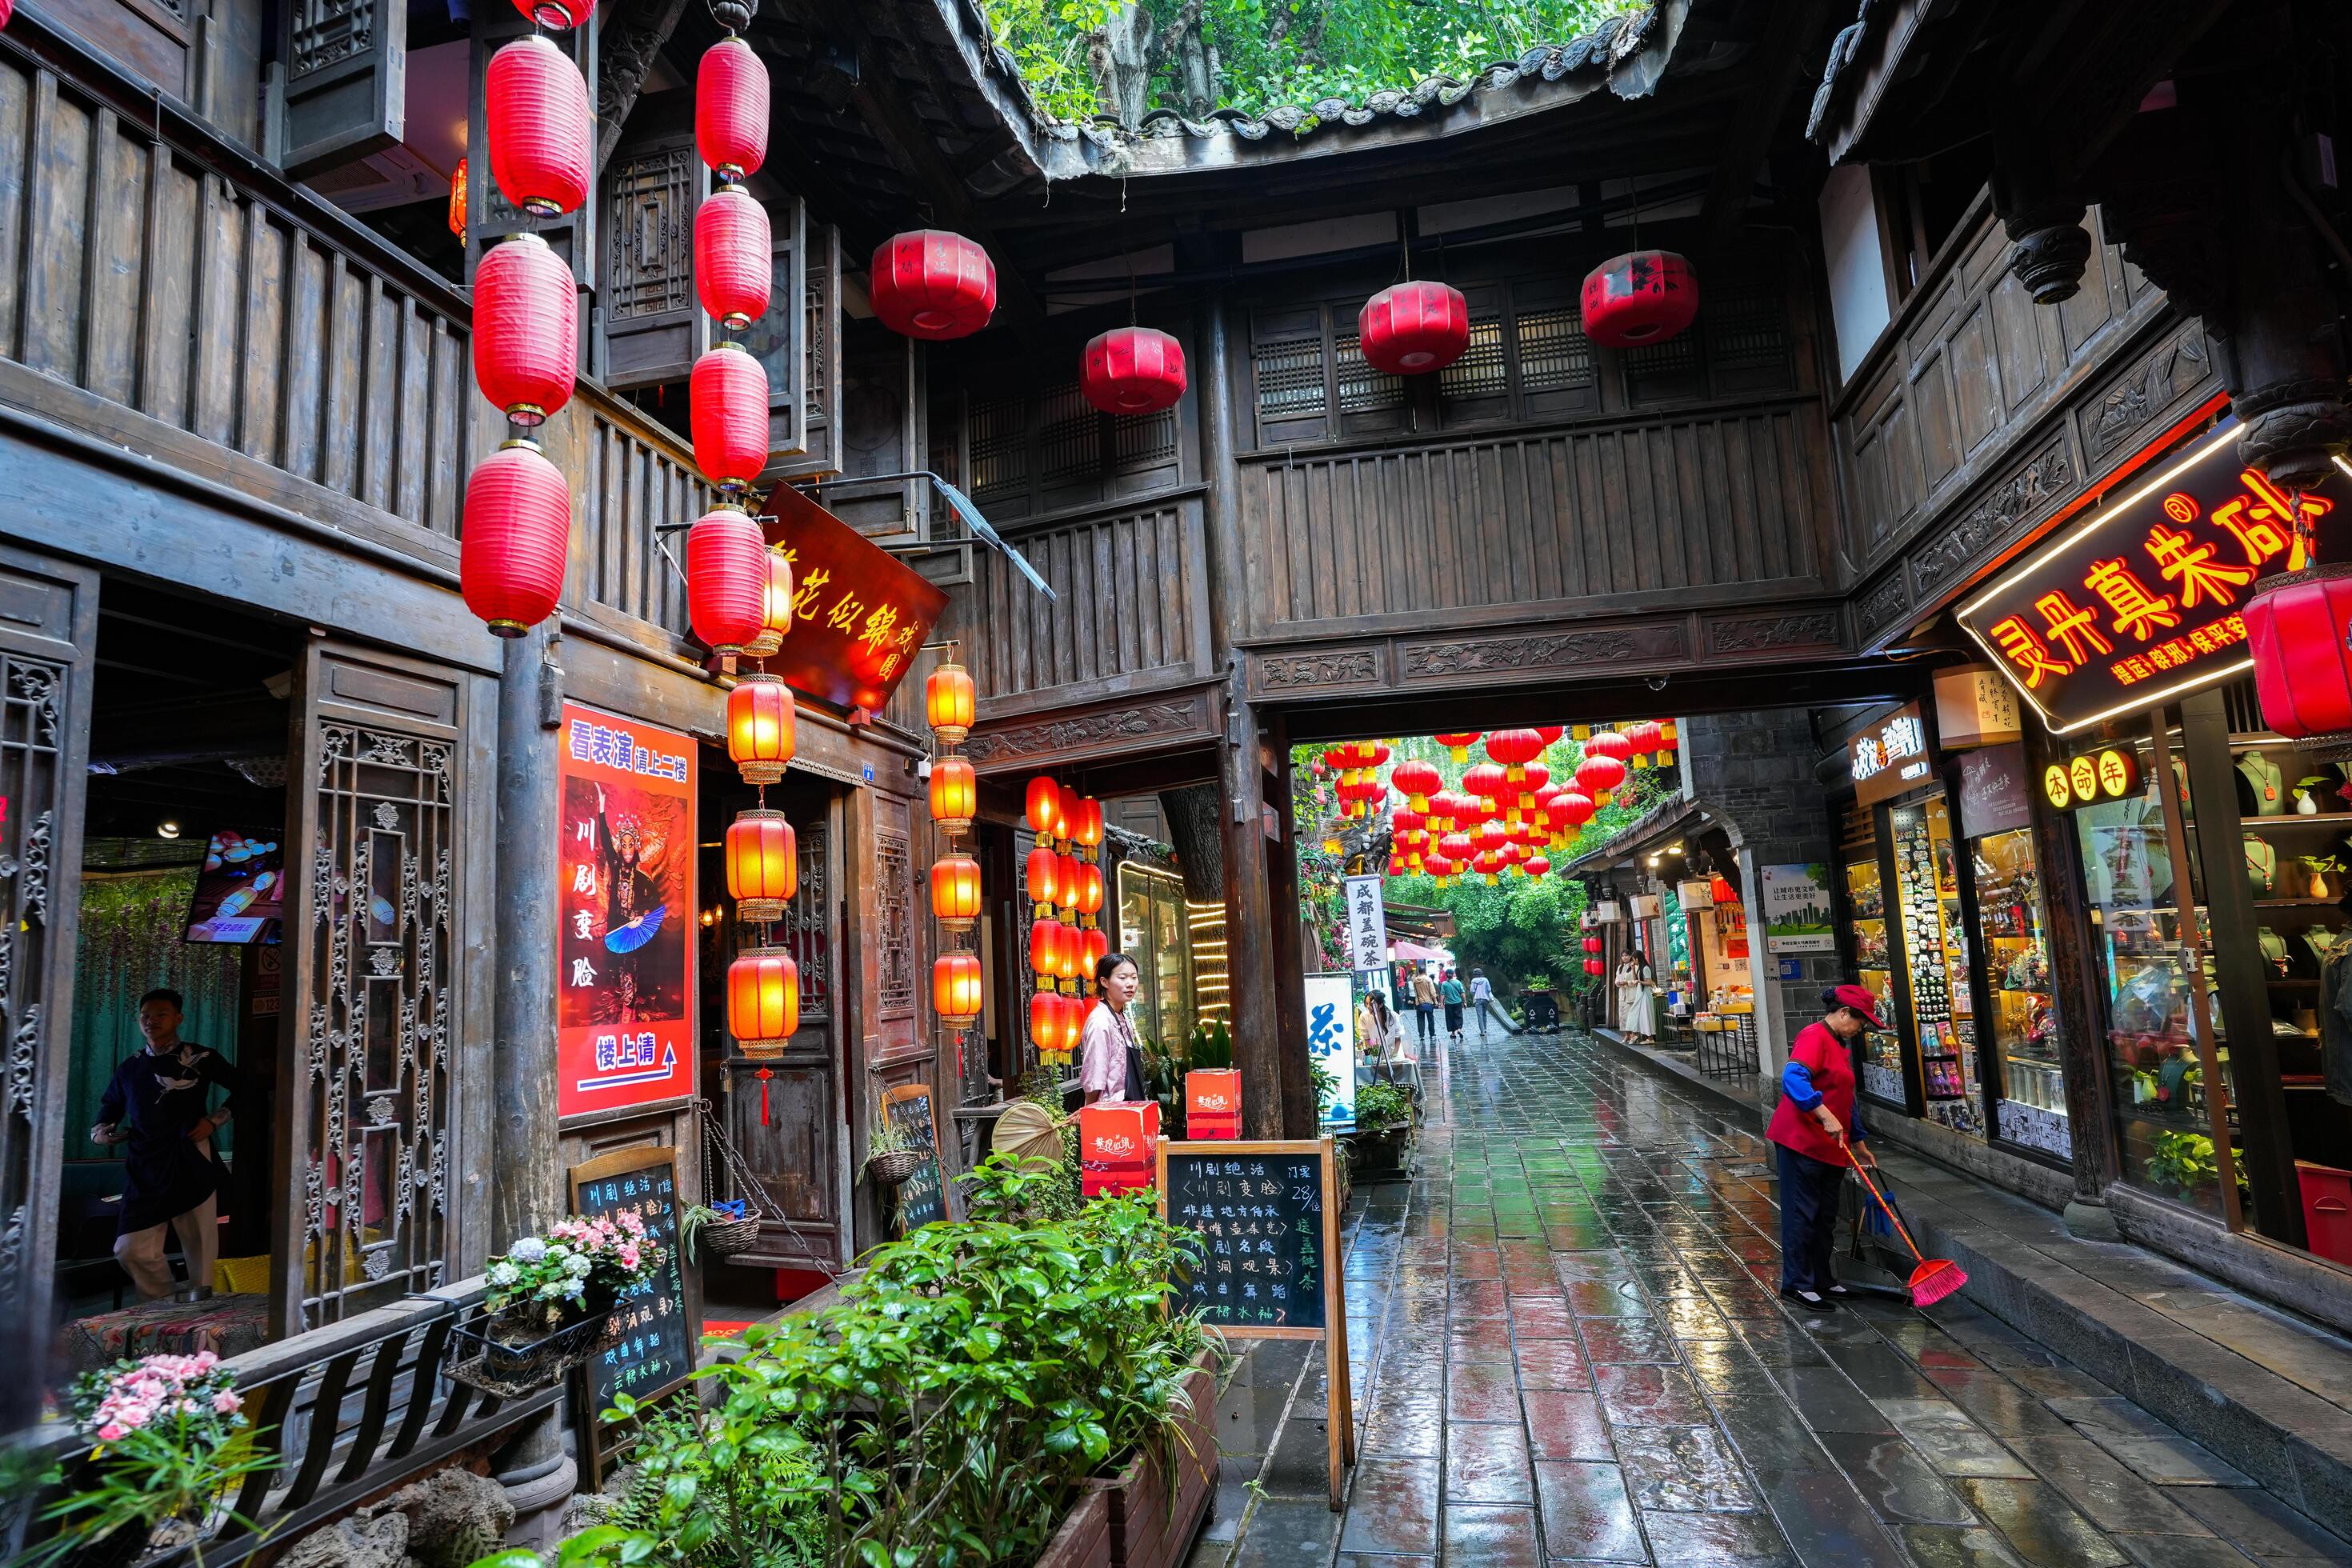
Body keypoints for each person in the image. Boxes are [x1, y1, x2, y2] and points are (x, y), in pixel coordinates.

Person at [91, 988, 244, 1300]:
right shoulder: (130, 1067)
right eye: (145, 1015)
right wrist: (100, 1133)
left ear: (178, 1018)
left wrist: (214, 1121)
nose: (152, 1021)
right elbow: (110, 1106)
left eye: (161, 1014)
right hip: (145, 1162)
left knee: (201, 1253)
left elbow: (245, 1088)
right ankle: (162, 1306)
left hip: (190, 1155)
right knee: (129, 1249)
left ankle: (201, 1320)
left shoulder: (202, 1057)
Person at [1765, 985, 1882, 1308]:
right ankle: (1797, 1284)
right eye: (1860, 1021)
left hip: (1832, 1146)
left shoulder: (1838, 1043)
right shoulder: (1814, 1036)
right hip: (1801, 1142)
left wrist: (1859, 1141)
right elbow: (1793, 1078)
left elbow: (1846, 1097)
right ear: (1844, 1013)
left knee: (1825, 1216)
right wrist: (1824, 1115)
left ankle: (1822, 1279)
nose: (1861, 1029)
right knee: (1802, 1214)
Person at [1078, 952, 1148, 1105]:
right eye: (1122, 978)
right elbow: (1094, 1078)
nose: (1130, 984)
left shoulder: (1122, 1017)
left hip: (1128, 1105)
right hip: (1109, 1108)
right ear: (1104, 982)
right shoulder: (1100, 1021)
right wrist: (1089, 1109)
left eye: (1134, 977)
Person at [1410, 967, 1438, 1047]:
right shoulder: (1428, 980)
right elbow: (1432, 991)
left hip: (1419, 1002)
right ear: (1425, 971)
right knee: (1430, 1019)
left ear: (1419, 971)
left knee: (1420, 1019)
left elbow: (1415, 991)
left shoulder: (1415, 981)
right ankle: (1432, 1034)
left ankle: (1421, 1035)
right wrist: (1435, 1001)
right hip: (1428, 1002)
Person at [1438, 970, 1466, 1045]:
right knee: (1459, 1016)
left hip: (1449, 1004)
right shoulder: (1458, 982)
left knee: (1450, 1018)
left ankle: (1453, 1033)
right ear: (1453, 974)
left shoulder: (1444, 984)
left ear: (1446, 975)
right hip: (1458, 1002)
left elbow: (1442, 994)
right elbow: (1462, 993)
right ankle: (1459, 1029)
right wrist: (1464, 1002)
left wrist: (1442, 1003)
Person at [1468, 968, 1496, 1034]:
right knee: (1484, 1014)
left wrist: (1475, 994)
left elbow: (1472, 991)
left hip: (1478, 999)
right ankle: (1485, 1028)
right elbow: (1489, 989)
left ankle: (1482, 1031)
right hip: (1485, 999)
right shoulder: (1485, 980)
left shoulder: (1473, 981)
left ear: (1475, 974)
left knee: (1479, 1015)